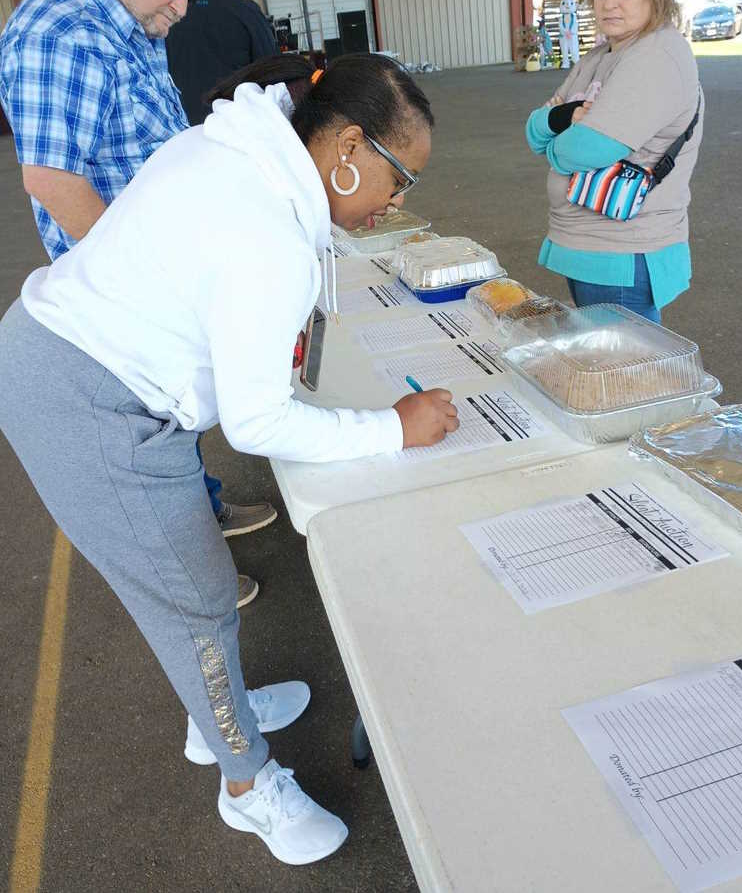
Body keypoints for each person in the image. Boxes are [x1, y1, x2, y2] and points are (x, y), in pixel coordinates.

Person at [0, 52, 458, 866]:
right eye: (400, 179)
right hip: (88, 404)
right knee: (197, 603)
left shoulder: (238, 149)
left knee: (191, 592)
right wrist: (392, 428)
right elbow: (257, 422)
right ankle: (246, 782)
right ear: (349, 146)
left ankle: (218, 711)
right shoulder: (267, 228)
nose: (396, 204)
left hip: (71, 365)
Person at [0, 0, 275, 589]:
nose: (180, 7)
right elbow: (52, 179)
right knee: (147, 440)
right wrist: (139, 280)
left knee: (178, 420)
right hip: (124, 291)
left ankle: (202, 515)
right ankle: (191, 582)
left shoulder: (131, 21)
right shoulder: (62, 31)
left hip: (161, 268)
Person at [525, 0, 704, 323]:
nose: (609, 4)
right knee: (603, 354)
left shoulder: (656, 56)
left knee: (626, 360)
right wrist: (562, 120)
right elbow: (533, 129)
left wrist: (556, 141)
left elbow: (585, 148)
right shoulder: (600, 56)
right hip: (589, 249)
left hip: (623, 255)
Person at [166, 0, 279, 125]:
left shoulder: (164, 10)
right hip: (237, 127)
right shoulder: (245, 8)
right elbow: (274, 71)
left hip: (180, 131)